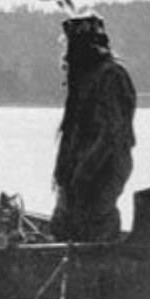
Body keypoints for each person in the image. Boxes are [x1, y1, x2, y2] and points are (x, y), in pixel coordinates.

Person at [49, 12, 137, 242]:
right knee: (64, 225)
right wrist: (64, 171)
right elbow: (72, 132)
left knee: (95, 223)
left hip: (104, 168)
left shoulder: (110, 76)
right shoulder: (84, 78)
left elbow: (112, 133)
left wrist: (85, 171)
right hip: (79, 169)